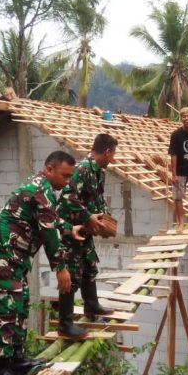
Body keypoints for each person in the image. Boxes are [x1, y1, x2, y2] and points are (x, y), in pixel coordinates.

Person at [0, 151, 85, 375]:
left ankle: (15, 359)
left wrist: (70, 228)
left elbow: (51, 220)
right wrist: (60, 268)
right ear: (49, 169)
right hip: (3, 254)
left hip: (14, 258)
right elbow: (49, 233)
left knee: (21, 304)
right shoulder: (39, 190)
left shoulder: (44, 190)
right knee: (7, 309)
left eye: (70, 177)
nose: (67, 181)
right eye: (65, 175)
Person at [57, 134, 118, 338]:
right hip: (70, 230)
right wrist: (87, 217)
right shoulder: (82, 169)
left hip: (86, 227)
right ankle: (65, 324)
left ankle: (91, 305)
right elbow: (67, 196)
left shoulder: (98, 171)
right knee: (71, 275)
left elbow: (98, 197)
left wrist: (104, 219)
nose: (113, 159)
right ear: (107, 151)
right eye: (113, 154)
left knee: (89, 265)